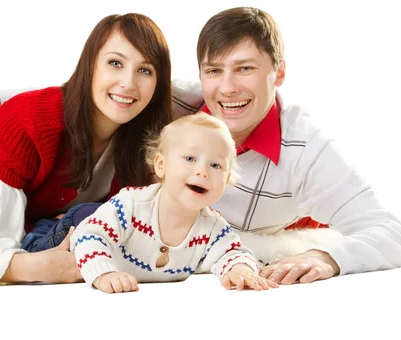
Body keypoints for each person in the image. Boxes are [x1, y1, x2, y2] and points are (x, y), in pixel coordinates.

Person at [0, 7, 401, 285]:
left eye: (245, 69)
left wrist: (326, 256)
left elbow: (391, 232)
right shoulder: (185, 103)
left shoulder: (306, 150)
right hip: (71, 213)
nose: (227, 88)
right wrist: (0, 97)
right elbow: (105, 87)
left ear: (277, 73)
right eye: (214, 70)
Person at [0, 13, 174, 288]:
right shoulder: (30, 119)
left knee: (83, 228)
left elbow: (207, 92)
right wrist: (31, 267)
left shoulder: (150, 133)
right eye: (115, 63)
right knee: (21, 238)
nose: (128, 83)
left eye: (145, 70)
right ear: (90, 65)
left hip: (33, 208)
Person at [71, 114, 278, 293]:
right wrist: (103, 273)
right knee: (45, 242)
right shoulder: (130, 205)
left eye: (215, 165)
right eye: (189, 158)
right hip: (73, 225)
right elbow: (89, 235)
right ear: (161, 165)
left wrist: (239, 269)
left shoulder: (212, 227)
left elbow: (233, 252)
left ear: (226, 180)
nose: (202, 171)